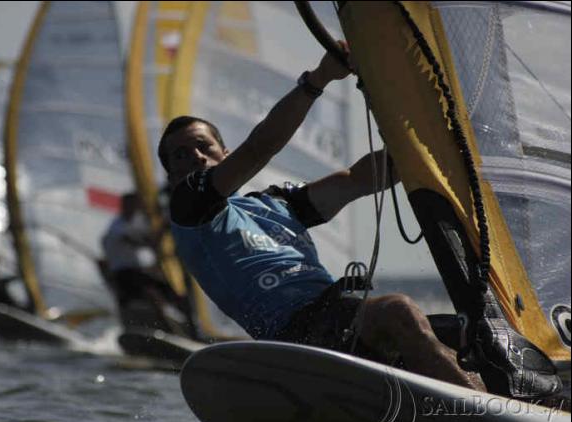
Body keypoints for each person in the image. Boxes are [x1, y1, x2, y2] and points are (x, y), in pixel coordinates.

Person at [156, 40, 562, 399]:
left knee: (475, 335)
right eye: (180, 155)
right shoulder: (190, 209)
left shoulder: (277, 205)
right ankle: (482, 417)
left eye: (202, 147)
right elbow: (259, 150)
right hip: (294, 337)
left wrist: (430, 136)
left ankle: (522, 411)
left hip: (341, 317)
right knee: (398, 311)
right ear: (171, 174)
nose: (194, 157)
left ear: (220, 152)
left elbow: (359, 178)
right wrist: (316, 80)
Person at [101, 193, 196, 337]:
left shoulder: (137, 222)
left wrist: (163, 228)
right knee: (151, 296)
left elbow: (149, 241)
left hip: (137, 271)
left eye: (135, 204)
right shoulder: (117, 225)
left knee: (176, 297)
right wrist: (163, 228)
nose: (134, 207)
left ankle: (191, 330)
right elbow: (142, 242)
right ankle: (167, 331)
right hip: (125, 273)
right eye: (130, 204)